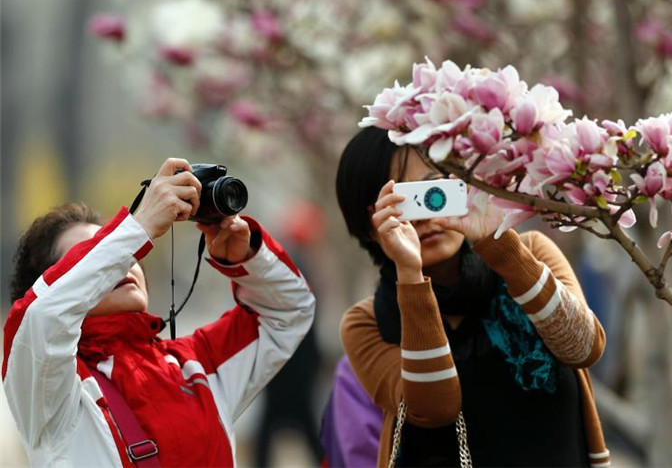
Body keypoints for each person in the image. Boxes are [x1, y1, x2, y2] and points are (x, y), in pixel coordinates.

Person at [3, 157, 316, 467]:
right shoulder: (50, 392)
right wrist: (139, 226)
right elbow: (42, 317)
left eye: (125, 254)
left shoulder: (195, 365)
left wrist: (247, 259)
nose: (123, 263)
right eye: (96, 255)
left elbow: (288, 310)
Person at [336, 127, 610, 468]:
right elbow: (434, 410)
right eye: (401, 201)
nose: (424, 214)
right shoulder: (367, 323)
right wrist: (410, 275)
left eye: (434, 188)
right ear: (368, 225)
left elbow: (584, 346)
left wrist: (499, 244)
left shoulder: (530, 253)